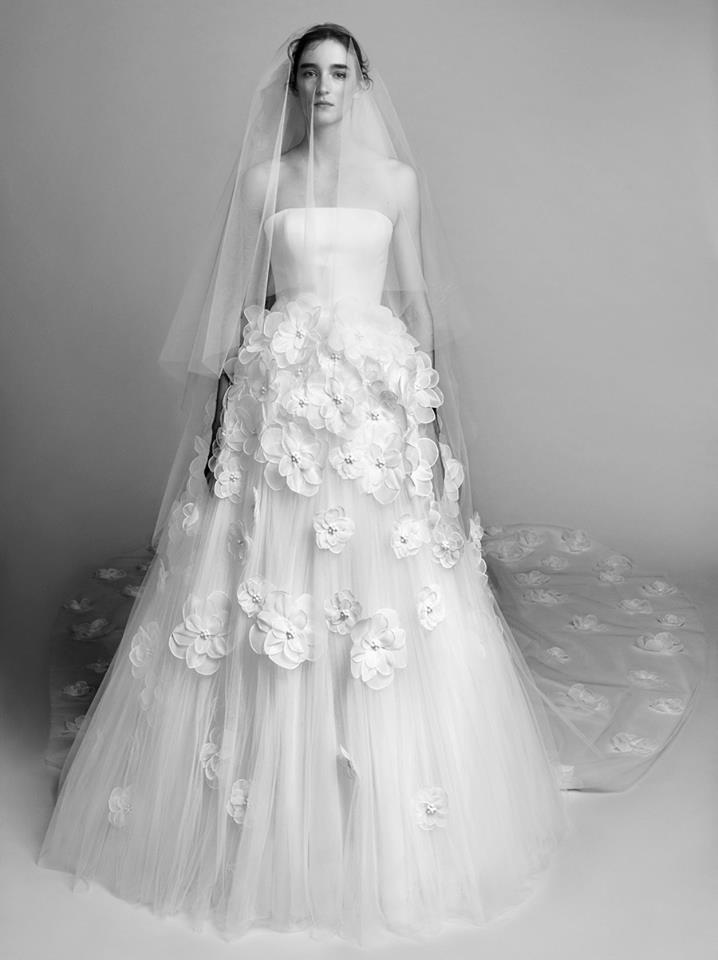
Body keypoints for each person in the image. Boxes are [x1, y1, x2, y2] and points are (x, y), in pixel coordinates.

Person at [41, 22, 703, 945]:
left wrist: (426, 409)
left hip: (369, 388)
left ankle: (377, 785)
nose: (323, 88)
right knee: (270, 567)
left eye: (339, 74)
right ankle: (271, 786)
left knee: (379, 577)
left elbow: (417, 296)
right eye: (310, 74)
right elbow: (244, 307)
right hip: (283, 390)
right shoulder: (263, 182)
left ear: (361, 83)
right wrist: (228, 417)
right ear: (292, 87)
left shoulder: (396, 182)